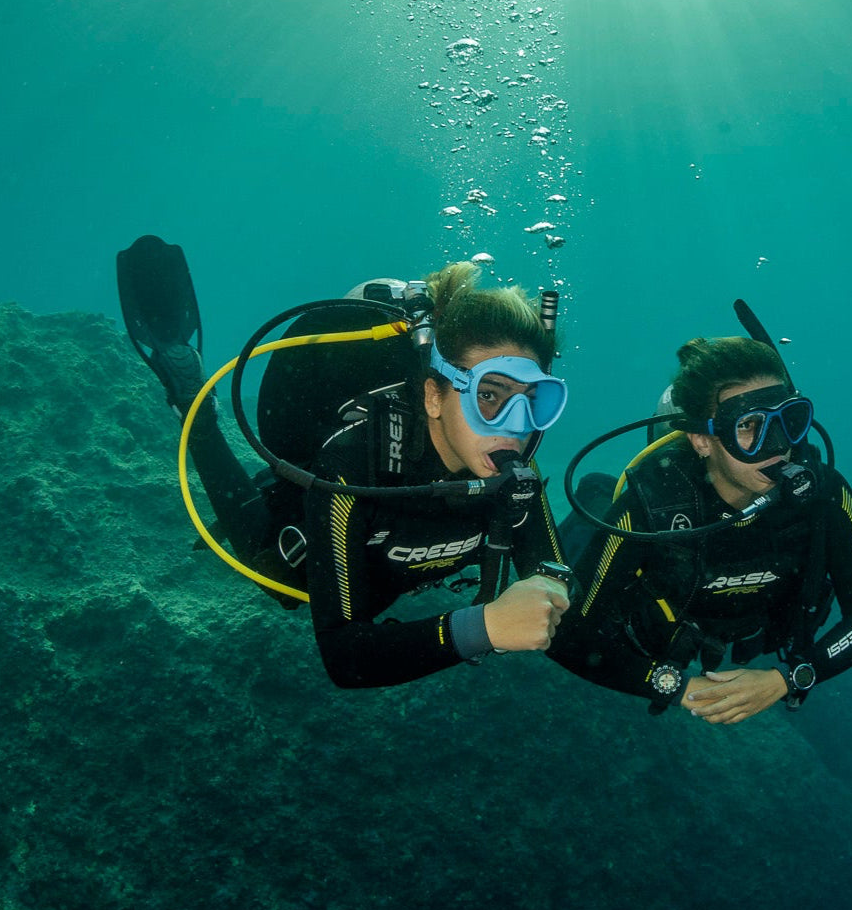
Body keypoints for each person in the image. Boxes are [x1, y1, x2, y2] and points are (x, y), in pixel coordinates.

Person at [117, 238, 571, 690]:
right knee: (276, 577)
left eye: (534, 403)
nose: (515, 428)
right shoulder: (356, 460)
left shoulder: (516, 481)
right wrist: (485, 627)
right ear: (434, 396)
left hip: (387, 576)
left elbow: (560, 593)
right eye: (489, 396)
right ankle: (195, 409)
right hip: (313, 541)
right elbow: (347, 658)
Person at [550, 327, 852, 723]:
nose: (779, 446)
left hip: (747, 631)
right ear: (702, 439)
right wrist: (677, 686)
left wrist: (788, 679)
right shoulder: (650, 509)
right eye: (749, 426)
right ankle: (597, 491)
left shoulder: (824, 494)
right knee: (584, 536)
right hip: (662, 622)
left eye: (789, 420)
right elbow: (568, 637)